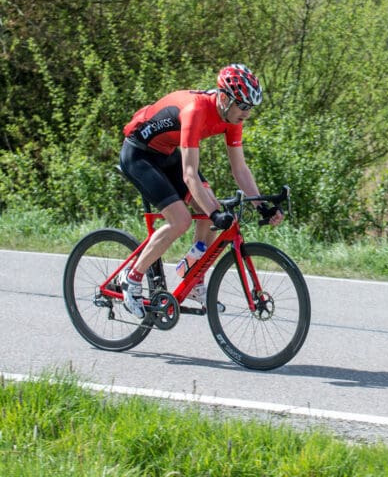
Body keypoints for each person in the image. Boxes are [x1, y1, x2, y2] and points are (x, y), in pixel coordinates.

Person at [118, 64, 283, 318]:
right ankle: (132, 278)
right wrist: (215, 212)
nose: (247, 114)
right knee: (182, 219)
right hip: (139, 154)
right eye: (244, 106)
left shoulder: (232, 117)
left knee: (207, 207)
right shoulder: (196, 111)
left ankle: (193, 278)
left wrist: (261, 205)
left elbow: (239, 169)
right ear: (226, 98)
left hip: (166, 152)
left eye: (251, 107)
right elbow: (189, 174)